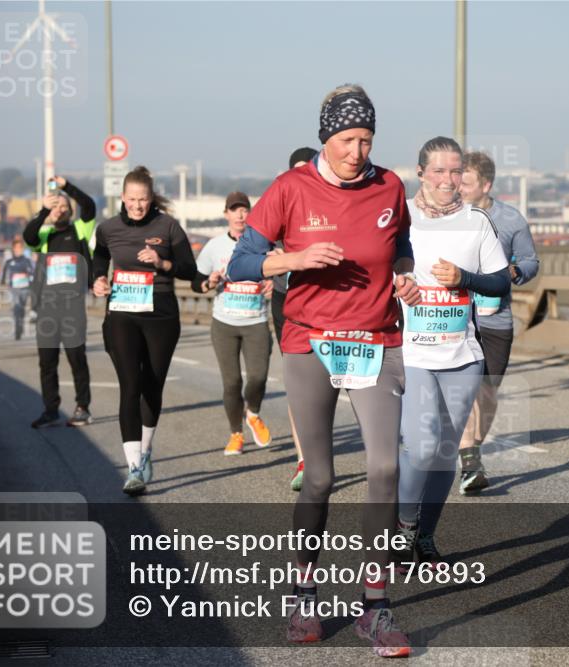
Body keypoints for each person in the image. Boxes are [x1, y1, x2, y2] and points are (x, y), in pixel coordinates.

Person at [227, 84, 419, 657]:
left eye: (365, 139)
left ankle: (376, 607)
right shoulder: (290, 188)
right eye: (345, 140)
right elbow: (242, 261)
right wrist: (294, 258)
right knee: (321, 477)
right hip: (310, 341)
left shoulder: (389, 185)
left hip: (377, 339)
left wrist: (405, 273)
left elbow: (400, 241)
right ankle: (304, 593)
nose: (357, 151)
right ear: (325, 138)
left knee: (385, 467)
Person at [396, 137, 510, 565]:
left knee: (445, 450)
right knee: (422, 447)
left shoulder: (476, 221)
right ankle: (404, 528)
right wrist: (397, 285)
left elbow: (499, 281)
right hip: (411, 352)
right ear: (421, 172)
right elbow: (374, 266)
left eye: (456, 171)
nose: (448, 180)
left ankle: (425, 536)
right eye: (439, 171)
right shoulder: (400, 217)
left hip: (462, 354)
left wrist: (464, 276)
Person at [93, 166, 197, 495]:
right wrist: (97, 279)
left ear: (152, 199)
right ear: (122, 198)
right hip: (122, 311)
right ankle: (134, 467)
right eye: (132, 200)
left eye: (144, 200)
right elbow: (100, 257)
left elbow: (189, 270)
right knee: (130, 385)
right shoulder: (107, 228)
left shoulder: (167, 227)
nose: (138, 206)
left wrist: (162, 263)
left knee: (152, 386)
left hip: (161, 313)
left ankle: (147, 448)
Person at [455, 150, 540, 494]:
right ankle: (470, 459)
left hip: (496, 317)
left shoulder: (511, 220)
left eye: (466, 182)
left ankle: (472, 449)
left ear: (486, 185)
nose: (458, 187)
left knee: (488, 391)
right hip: (458, 317)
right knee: (465, 390)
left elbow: (531, 261)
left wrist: (515, 271)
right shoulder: (449, 218)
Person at [192, 191, 273, 455]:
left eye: (244, 209)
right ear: (226, 214)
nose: (240, 215)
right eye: (234, 210)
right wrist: (209, 282)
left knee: (259, 377)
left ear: (250, 214)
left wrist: (274, 281)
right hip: (224, 323)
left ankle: (254, 413)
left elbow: (281, 271)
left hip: (256, 321)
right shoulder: (214, 246)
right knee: (232, 383)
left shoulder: (263, 243)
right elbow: (197, 281)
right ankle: (236, 434)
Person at [24, 176, 96, 428]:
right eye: (56, 207)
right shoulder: (43, 234)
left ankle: (83, 407)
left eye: (63, 206)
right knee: (47, 362)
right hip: (47, 307)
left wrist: (66, 187)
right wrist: (44, 209)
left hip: (73, 306)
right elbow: (28, 236)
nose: (60, 210)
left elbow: (89, 205)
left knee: (77, 357)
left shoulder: (80, 229)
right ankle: (51, 409)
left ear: (70, 210)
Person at [272, 147, 316, 490]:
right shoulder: (280, 203)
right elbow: (255, 249)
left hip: (327, 304)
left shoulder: (329, 204)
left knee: (333, 381)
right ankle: (305, 459)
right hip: (285, 300)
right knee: (298, 381)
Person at [1, 238, 35, 341]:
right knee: (16, 307)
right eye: (16, 248)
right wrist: (3, 282)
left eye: (20, 248)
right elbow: (4, 274)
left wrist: (31, 280)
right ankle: (17, 330)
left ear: (22, 249)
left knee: (22, 308)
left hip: (25, 288)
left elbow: (32, 272)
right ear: (13, 249)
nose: (18, 250)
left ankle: (21, 324)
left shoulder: (27, 260)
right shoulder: (9, 261)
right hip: (14, 288)